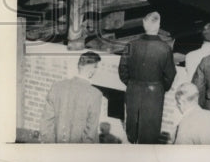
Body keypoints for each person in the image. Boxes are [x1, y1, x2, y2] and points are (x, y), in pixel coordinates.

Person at [118, 11, 177, 144]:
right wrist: (161, 88)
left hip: (133, 90)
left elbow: (122, 70)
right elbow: (170, 75)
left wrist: (132, 83)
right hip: (154, 94)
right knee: (150, 133)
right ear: (159, 25)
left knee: (132, 130)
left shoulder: (131, 45)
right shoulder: (165, 48)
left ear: (144, 24)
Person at [39, 50, 104, 143]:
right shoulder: (95, 95)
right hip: (78, 154)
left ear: (79, 66)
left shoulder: (57, 86)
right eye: (96, 68)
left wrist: (51, 148)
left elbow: (46, 123)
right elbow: (90, 134)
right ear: (92, 70)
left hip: (55, 151)